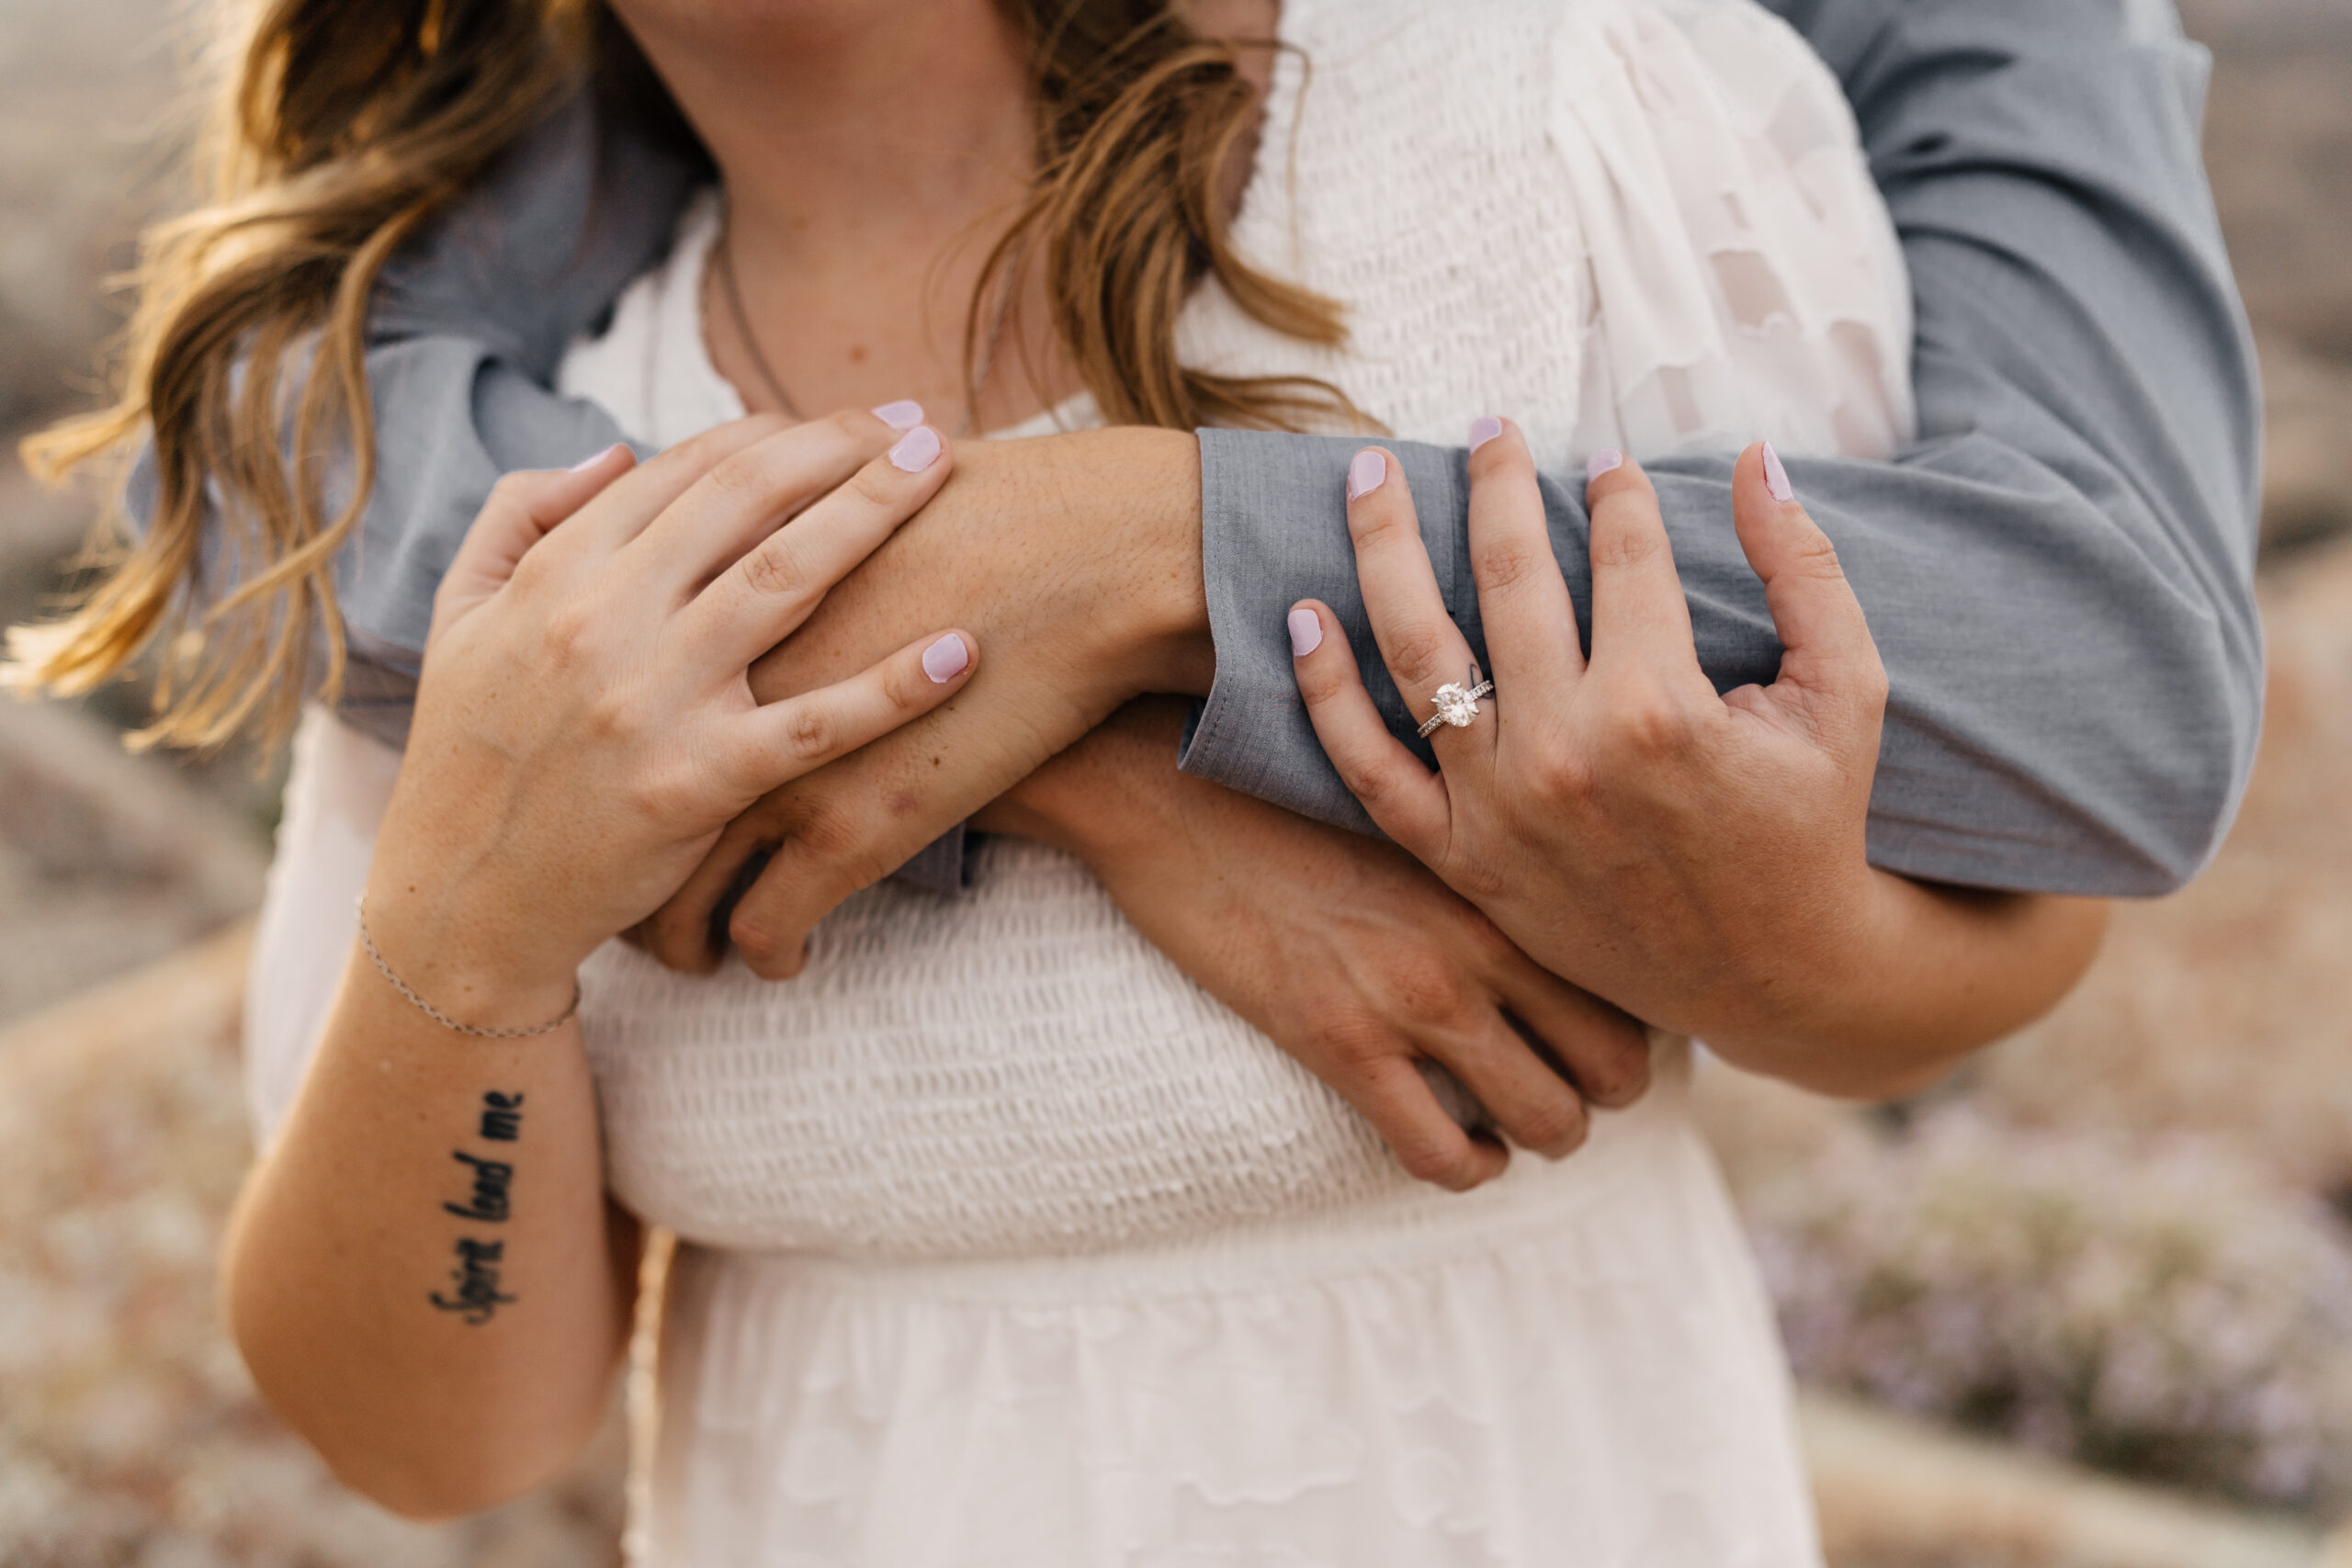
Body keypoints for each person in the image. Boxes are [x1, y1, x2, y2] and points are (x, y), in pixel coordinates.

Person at [10, 0, 2256, 1562]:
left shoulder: (1534, 138)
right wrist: (472, 923)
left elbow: (2010, 884)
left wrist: (1138, 576)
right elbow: (432, 1429)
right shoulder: (495, 467)